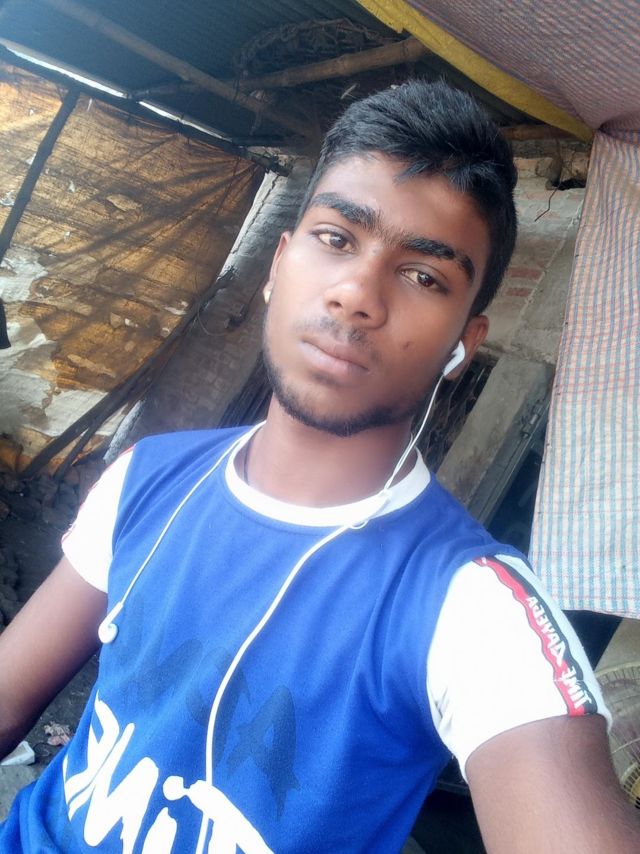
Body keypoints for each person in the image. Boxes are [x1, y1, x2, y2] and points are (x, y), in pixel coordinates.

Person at [0, 80, 637, 854]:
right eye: (336, 238)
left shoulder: (470, 606)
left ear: (463, 345)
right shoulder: (148, 477)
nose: (357, 295)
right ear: (278, 263)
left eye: (424, 276)